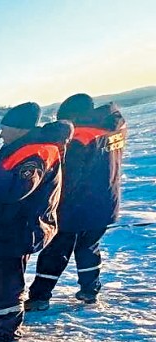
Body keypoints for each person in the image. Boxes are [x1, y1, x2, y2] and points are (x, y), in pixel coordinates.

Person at [0, 102, 72, 342]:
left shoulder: (36, 154)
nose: (1, 134)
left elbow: (16, 189)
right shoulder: (19, 148)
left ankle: (6, 337)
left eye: (5, 128)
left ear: (19, 129)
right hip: (0, 231)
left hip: (14, 232)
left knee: (6, 289)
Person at [26, 94, 127, 309]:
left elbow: (70, 174)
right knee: (89, 246)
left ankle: (39, 297)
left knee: (55, 248)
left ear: (73, 116)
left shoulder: (80, 136)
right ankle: (90, 291)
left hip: (76, 205)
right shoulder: (114, 126)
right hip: (106, 201)